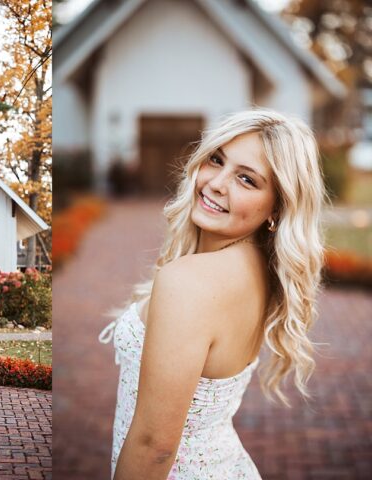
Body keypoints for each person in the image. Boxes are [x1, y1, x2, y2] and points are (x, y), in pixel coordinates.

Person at [98, 109, 326, 479]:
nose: (217, 183)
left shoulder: (189, 281)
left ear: (277, 208)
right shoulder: (259, 268)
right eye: (216, 160)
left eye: (246, 180)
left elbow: (154, 446)